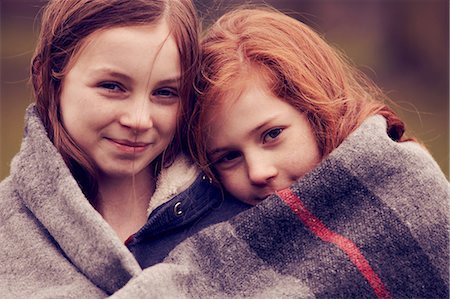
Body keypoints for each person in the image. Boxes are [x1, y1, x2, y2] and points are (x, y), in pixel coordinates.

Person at [111, 7, 449, 298]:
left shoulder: (405, 185)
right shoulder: (223, 228)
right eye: (228, 157)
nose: (258, 171)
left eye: (271, 135)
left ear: (316, 112)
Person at [0, 0, 250, 297]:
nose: (139, 120)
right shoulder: (7, 229)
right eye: (112, 86)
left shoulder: (240, 207)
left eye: (166, 92)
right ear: (49, 78)